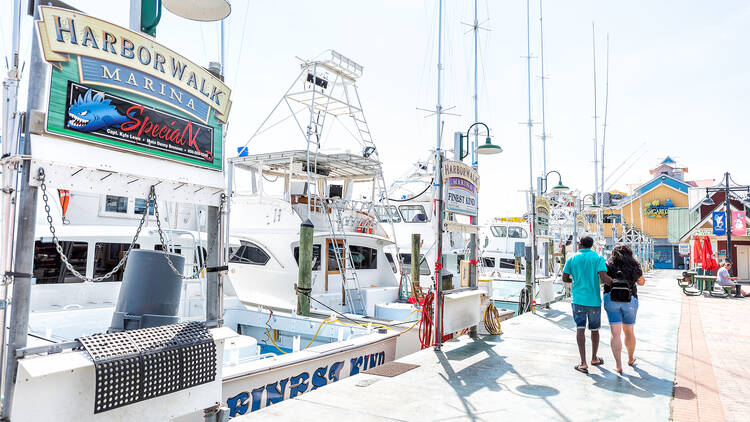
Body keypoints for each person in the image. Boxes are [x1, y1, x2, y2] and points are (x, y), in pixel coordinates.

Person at [563, 236, 612, 374]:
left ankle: (583, 363)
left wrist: (576, 278)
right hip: (594, 300)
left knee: (580, 329)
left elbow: (565, 277)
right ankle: (594, 358)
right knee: (595, 330)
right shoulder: (598, 258)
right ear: (591, 245)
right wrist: (617, 283)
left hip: (578, 299)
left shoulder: (572, 258)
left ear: (580, 245)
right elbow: (603, 277)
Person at [603, 244, 645, 374]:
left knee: (615, 333)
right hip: (630, 300)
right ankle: (631, 358)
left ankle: (618, 365)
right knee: (629, 332)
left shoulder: (608, 265)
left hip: (612, 298)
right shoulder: (634, 264)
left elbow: (602, 279)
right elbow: (642, 282)